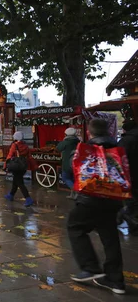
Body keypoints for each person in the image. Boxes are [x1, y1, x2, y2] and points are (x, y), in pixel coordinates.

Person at [67, 118, 125, 294]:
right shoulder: (118, 148)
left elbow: (73, 168)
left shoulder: (87, 149)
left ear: (89, 132)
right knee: (110, 236)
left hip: (91, 199)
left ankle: (90, 267)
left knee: (75, 226)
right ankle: (115, 280)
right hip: (114, 198)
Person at [4, 131, 36, 207]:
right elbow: (30, 157)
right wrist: (34, 166)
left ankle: (28, 198)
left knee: (20, 183)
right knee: (16, 181)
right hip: (23, 166)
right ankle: (10, 195)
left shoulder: (14, 145)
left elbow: (9, 155)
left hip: (16, 166)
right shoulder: (26, 146)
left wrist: (5, 166)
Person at [118, 120, 138, 235]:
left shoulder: (125, 141)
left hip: (130, 174)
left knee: (130, 199)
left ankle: (131, 221)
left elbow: (119, 159)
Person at [57, 127, 80, 199]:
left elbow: (58, 148)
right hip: (76, 163)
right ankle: (72, 195)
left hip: (67, 164)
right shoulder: (78, 141)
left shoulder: (65, 142)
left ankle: (76, 191)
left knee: (65, 178)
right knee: (73, 179)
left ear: (66, 134)